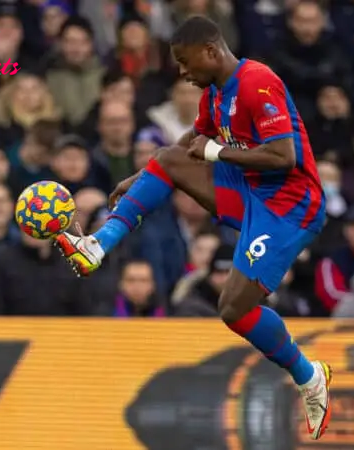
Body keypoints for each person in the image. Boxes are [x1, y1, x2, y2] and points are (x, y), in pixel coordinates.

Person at [54, 15, 331, 439]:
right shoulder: (215, 95)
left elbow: (283, 157)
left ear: (211, 51)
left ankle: (310, 377)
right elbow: (187, 145)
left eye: (185, 63)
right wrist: (142, 178)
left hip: (290, 208)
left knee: (233, 308)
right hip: (251, 191)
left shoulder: (258, 82)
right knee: (167, 157)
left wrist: (217, 151)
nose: (182, 73)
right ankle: (98, 243)